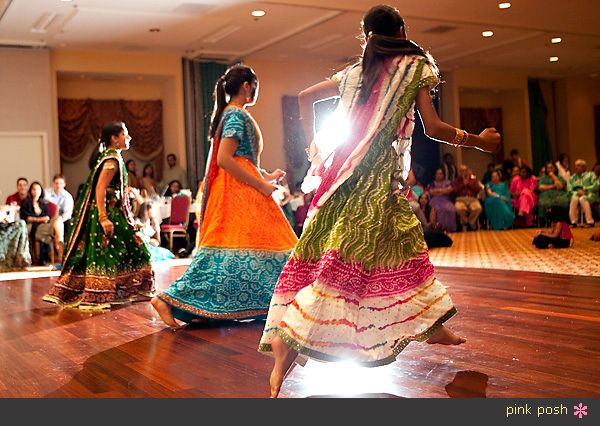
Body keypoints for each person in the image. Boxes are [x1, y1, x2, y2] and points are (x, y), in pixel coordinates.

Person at [257, 4, 500, 398]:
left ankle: (433, 327)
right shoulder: (413, 69)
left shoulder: (353, 74)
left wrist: (313, 148)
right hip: (373, 182)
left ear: (366, 36)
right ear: (401, 30)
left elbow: (304, 98)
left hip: (340, 175)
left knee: (382, 246)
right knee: (342, 266)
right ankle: (289, 344)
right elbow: (434, 128)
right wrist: (479, 142)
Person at [151, 64, 297, 327]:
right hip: (237, 195)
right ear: (247, 86)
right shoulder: (235, 116)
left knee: (246, 251)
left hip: (241, 189)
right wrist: (262, 186)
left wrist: (267, 176)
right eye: (255, 86)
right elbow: (225, 160)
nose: (256, 91)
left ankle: (275, 301)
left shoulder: (234, 114)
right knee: (257, 247)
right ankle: (169, 299)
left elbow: (242, 162)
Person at [43, 122, 154, 310]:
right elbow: (100, 189)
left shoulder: (112, 157)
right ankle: (103, 292)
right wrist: (104, 218)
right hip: (110, 213)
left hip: (115, 211)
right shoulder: (111, 160)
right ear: (114, 138)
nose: (129, 138)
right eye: (125, 134)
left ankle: (121, 291)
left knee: (122, 252)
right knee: (126, 250)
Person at [19, 181, 56, 264]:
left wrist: (42, 219)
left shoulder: (43, 203)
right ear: (31, 191)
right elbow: (27, 218)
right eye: (34, 189)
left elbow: (47, 217)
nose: (36, 191)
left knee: (49, 226)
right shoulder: (26, 202)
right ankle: (53, 238)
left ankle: (42, 256)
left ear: (41, 191)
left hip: (42, 226)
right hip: (30, 226)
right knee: (48, 230)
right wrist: (40, 219)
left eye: (38, 189)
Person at [45, 174, 74, 260]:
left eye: (60, 183)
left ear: (64, 184)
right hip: (47, 218)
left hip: (61, 219)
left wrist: (59, 219)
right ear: (53, 183)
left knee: (63, 224)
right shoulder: (46, 193)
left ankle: (62, 253)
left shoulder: (67, 197)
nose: (58, 186)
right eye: (56, 183)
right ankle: (58, 252)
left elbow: (68, 214)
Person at [453, 165, 484, 231]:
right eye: (461, 171)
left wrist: (468, 184)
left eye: (465, 170)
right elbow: (455, 191)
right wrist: (463, 184)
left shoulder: (474, 180)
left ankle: (469, 222)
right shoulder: (457, 181)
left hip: (472, 199)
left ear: (468, 171)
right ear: (459, 172)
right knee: (458, 208)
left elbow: (478, 189)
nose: (463, 172)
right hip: (460, 199)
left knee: (478, 208)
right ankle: (467, 222)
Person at [568, 159, 597, 227]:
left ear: (583, 167)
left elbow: (596, 185)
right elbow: (569, 189)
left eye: (578, 165)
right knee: (574, 199)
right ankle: (573, 222)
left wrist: (586, 190)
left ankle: (590, 221)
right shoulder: (572, 177)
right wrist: (577, 193)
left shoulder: (591, 175)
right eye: (575, 166)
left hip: (589, 194)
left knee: (583, 198)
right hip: (577, 194)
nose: (576, 167)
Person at [427, 167, 456, 232]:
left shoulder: (448, 182)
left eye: (440, 174)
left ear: (443, 175)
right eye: (437, 174)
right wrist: (443, 191)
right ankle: (439, 229)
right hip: (435, 200)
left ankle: (449, 229)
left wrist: (438, 190)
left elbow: (449, 190)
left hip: (446, 200)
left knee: (450, 209)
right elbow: (431, 192)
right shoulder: (432, 184)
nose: (439, 175)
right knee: (438, 209)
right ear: (435, 175)